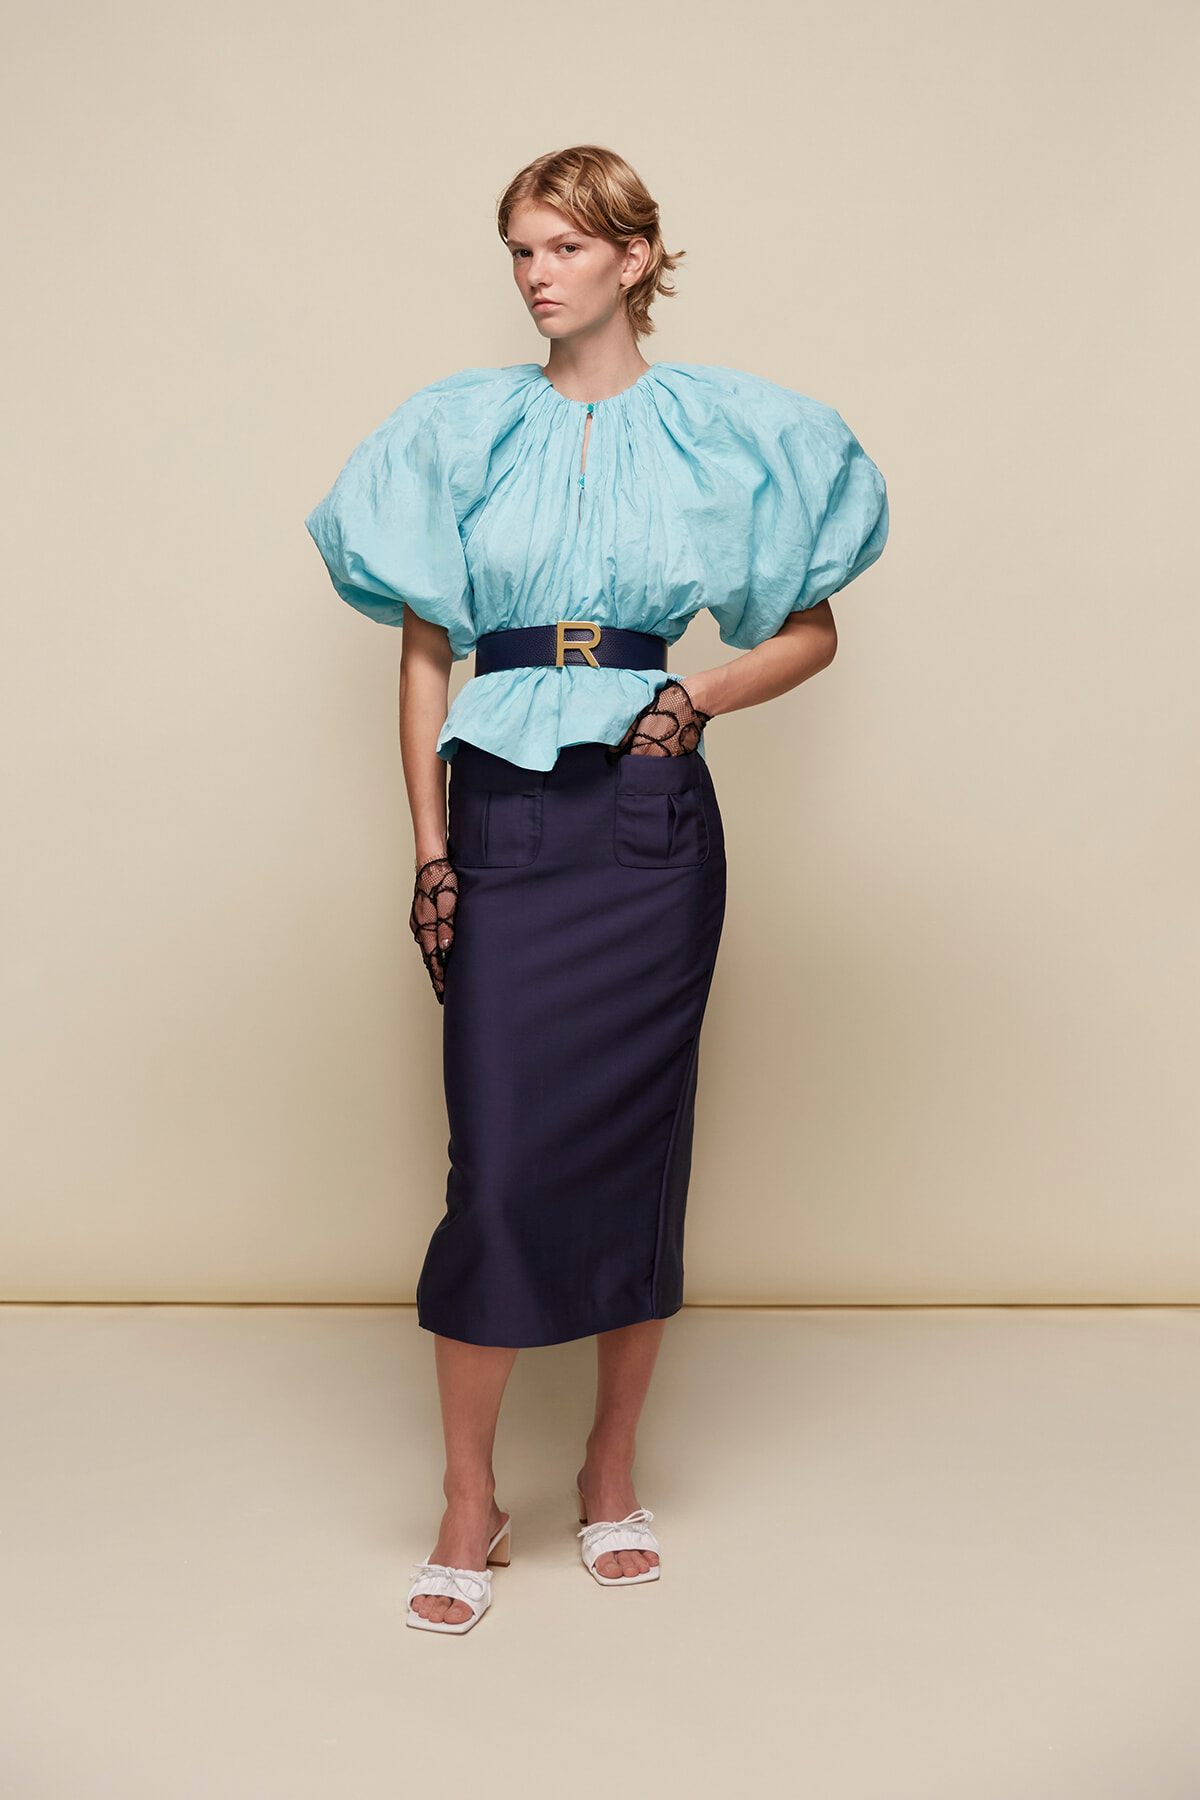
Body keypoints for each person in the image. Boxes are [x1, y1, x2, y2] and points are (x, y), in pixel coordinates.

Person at [305, 144, 889, 1634]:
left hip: (645, 824)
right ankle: (467, 1500)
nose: (535, 272)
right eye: (518, 248)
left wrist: (693, 699)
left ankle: (611, 1469)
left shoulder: (723, 434)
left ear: (636, 258)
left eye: (563, 245)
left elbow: (808, 631)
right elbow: (425, 652)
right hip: (500, 818)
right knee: (495, 1165)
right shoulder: (459, 431)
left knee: (634, 1151)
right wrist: (431, 847)